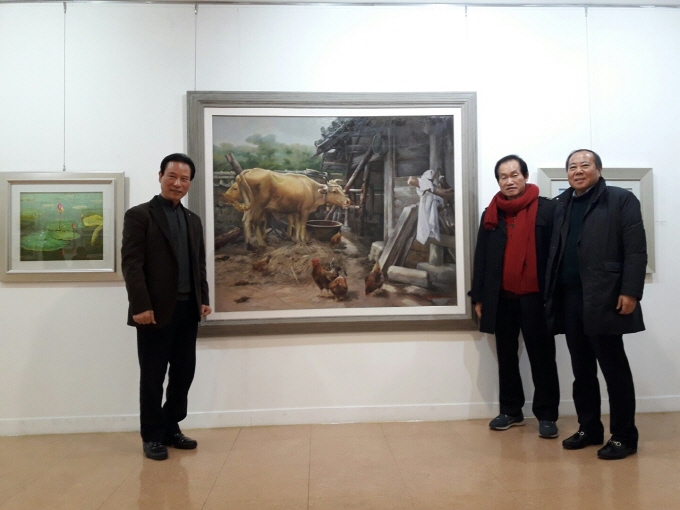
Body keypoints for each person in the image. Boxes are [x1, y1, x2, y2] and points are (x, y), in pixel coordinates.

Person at [545, 149, 646, 460]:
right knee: (582, 370)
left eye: (584, 165)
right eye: (572, 167)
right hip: (570, 299)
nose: (578, 171)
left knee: (614, 369)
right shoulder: (561, 204)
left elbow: (636, 249)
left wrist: (630, 291)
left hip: (606, 296)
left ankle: (624, 436)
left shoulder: (620, 199)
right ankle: (589, 428)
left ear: (599, 170)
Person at [122, 153, 211, 461]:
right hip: (154, 312)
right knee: (153, 376)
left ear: (190, 183)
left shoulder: (193, 220)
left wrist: (203, 299)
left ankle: (171, 427)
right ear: (160, 176)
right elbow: (132, 264)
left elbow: (198, 264)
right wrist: (141, 305)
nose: (177, 183)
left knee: (184, 374)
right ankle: (151, 435)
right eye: (172, 176)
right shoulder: (139, 215)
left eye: (184, 179)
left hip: (188, 310)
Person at [469, 155, 560, 438]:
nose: (509, 181)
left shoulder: (548, 210)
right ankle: (511, 411)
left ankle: (547, 415)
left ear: (525, 176)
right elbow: (482, 257)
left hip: (536, 298)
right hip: (502, 298)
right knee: (506, 357)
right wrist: (479, 297)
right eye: (503, 177)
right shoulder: (491, 213)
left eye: (514, 175)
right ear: (498, 181)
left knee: (542, 357)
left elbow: (557, 257)